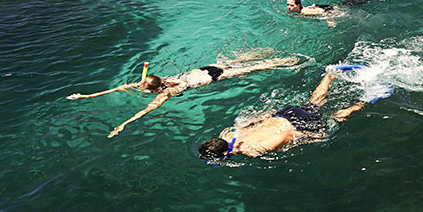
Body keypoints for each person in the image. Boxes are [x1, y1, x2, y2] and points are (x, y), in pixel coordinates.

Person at [66, 50, 304, 138]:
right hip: (204, 68)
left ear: (157, 89)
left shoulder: (167, 93)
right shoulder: (161, 80)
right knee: (236, 62)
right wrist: (86, 96)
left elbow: (145, 111)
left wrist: (123, 125)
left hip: (212, 78)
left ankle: (288, 62)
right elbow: (119, 87)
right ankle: (267, 54)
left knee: (253, 69)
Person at [199, 71, 366, 161]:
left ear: (224, 155)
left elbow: (288, 135)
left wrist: (314, 137)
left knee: (334, 119)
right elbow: (249, 122)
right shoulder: (226, 135)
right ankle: (330, 75)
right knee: (313, 103)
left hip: (298, 124)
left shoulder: (254, 150)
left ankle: (362, 102)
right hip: (283, 114)